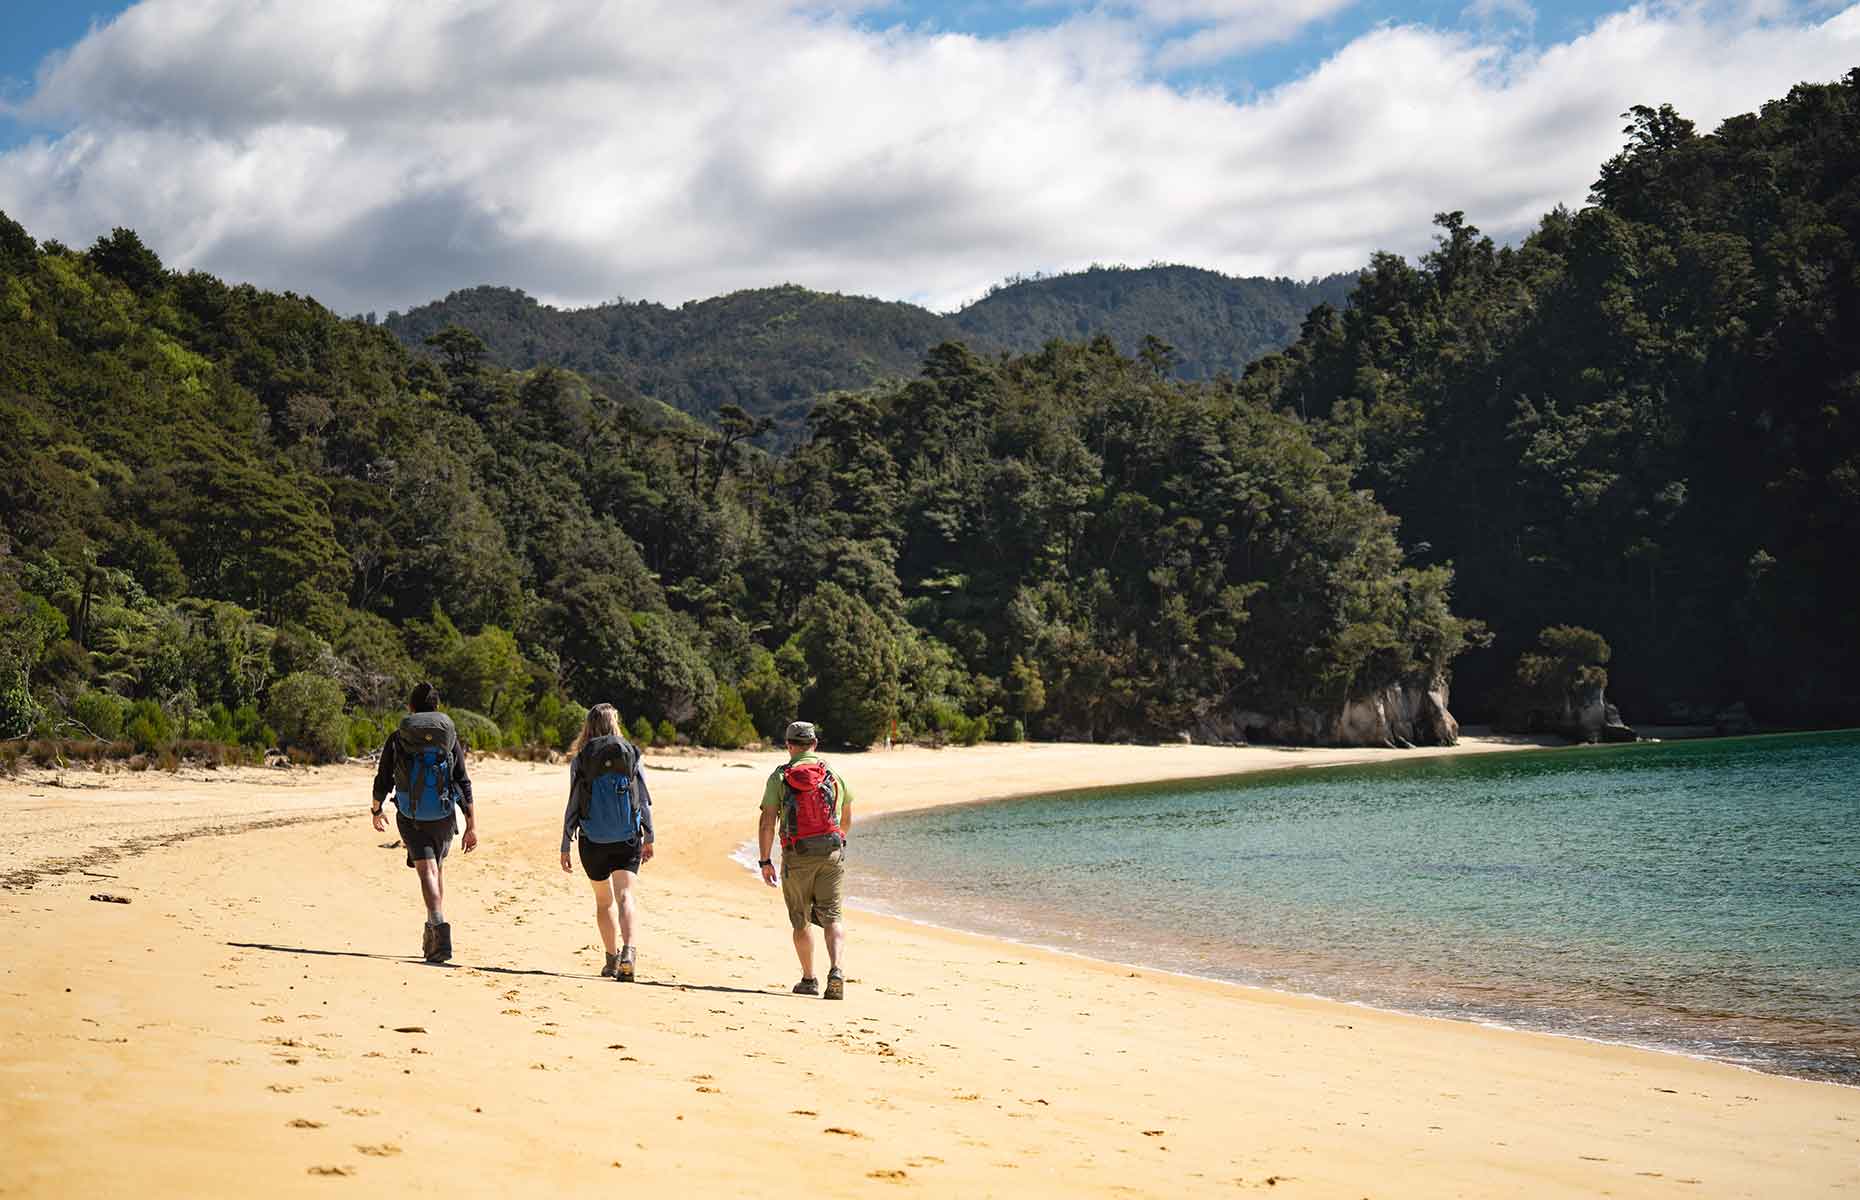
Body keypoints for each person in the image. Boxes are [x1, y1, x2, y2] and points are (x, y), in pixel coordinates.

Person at [370, 682, 478, 963]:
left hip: (411, 814)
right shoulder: (448, 737)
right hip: (443, 813)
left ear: (411, 707)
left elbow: (383, 778)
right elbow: (462, 781)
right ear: (437, 708)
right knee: (437, 868)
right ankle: (433, 933)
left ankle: (438, 926)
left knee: (426, 870)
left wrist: (376, 809)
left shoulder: (399, 737)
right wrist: (471, 825)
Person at [757, 720, 852, 999]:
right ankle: (836, 969)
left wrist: (765, 861)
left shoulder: (780, 776)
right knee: (833, 916)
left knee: (801, 920)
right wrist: (836, 843)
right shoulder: (832, 774)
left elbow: (767, 822)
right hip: (831, 854)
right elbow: (845, 818)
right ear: (815, 743)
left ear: (789, 745)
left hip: (796, 856)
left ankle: (809, 979)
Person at [560, 703, 655, 981]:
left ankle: (611, 960)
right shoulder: (631, 753)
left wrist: (565, 843)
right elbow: (644, 799)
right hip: (626, 838)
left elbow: (573, 802)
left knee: (604, 901)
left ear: (588, 726)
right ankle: (629, 952)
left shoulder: (581, 758)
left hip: (592, 840)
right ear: (615, 724)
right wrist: (649, 837)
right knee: (626, 896)